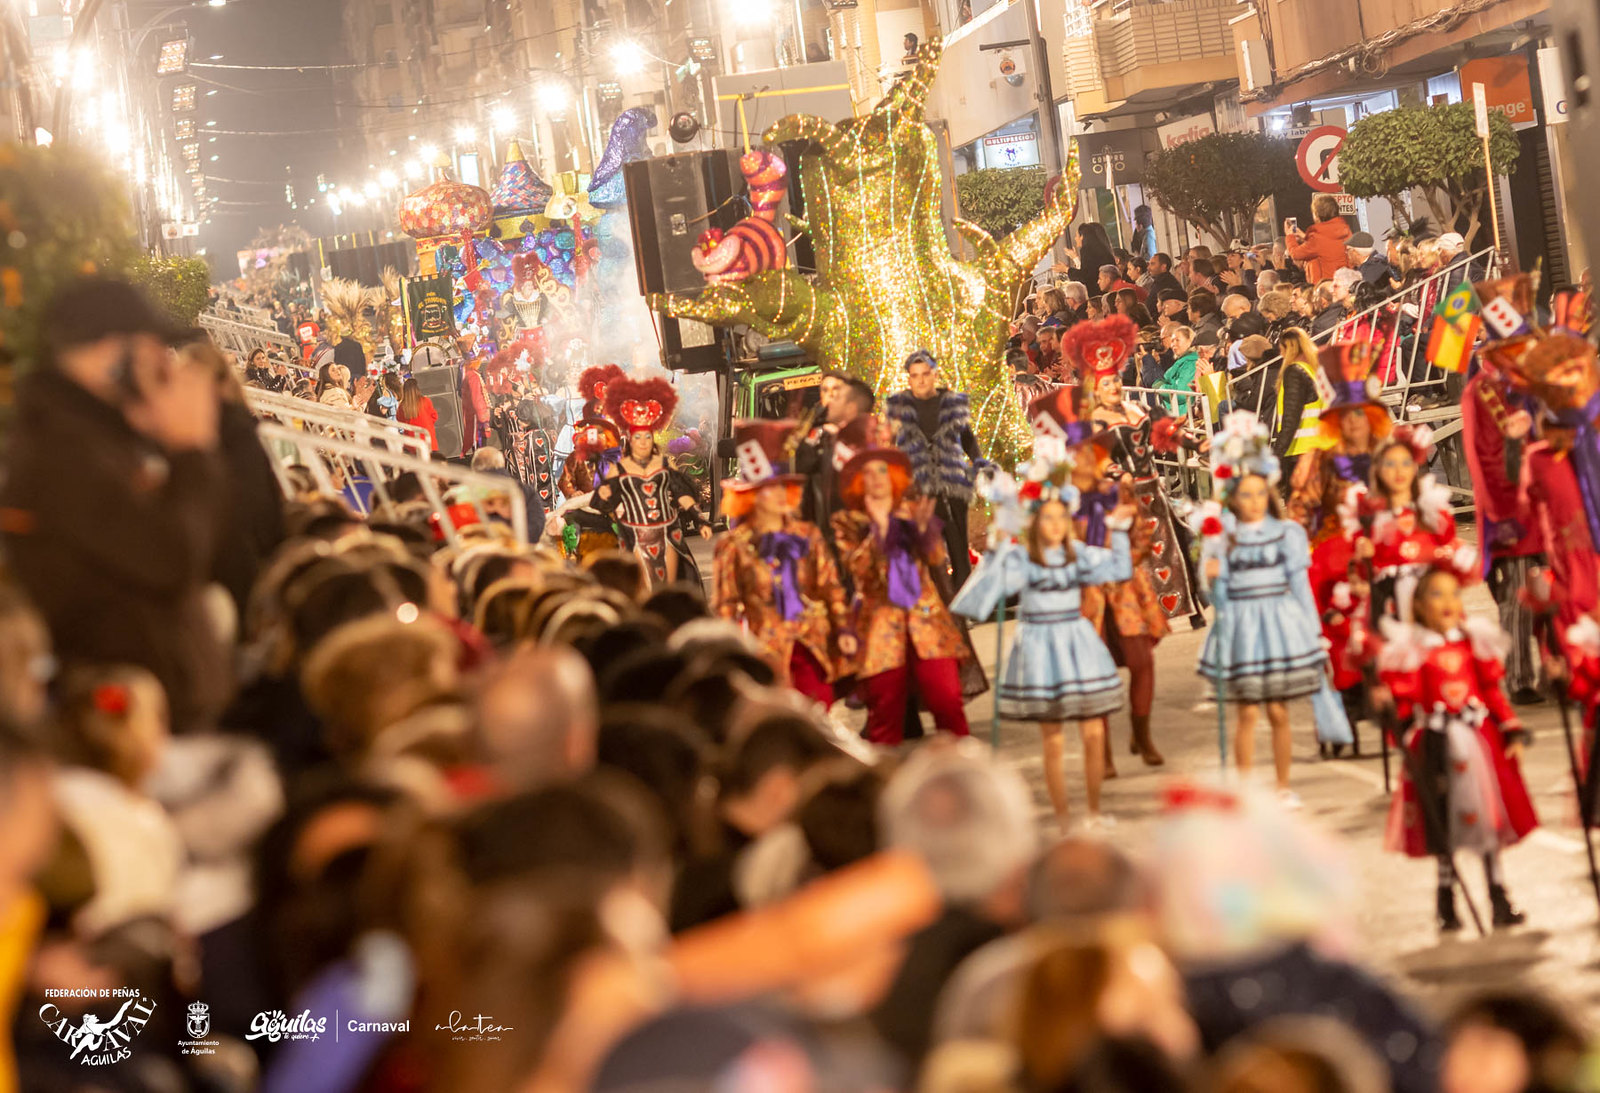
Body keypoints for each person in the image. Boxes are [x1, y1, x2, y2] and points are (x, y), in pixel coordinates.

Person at [0, 277, 228, 735]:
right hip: (121, 727)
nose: (163, 362)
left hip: (152, 713)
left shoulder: (95, 437)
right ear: (111, 353)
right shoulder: (64, 452)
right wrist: (190, 449)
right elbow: (169, 557)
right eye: (151, 348)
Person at [952, 450, 1137, 830]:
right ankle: (1065, 820)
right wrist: (996, 553)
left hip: (1077, 643)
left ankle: (1093, 812)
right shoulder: (1023, 558)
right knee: (1053, 742)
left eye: (1061, 517)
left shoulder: (1078, 555)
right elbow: (979, 600)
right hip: (1039, 648)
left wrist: (1118, 531)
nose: (1055, 525)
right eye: (1047, 518)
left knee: (1093, 733)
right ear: (1035, 522)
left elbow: (1119, 568)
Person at [1375, 567, 1537, 931]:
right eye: (1436, 594)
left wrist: (1510, 726)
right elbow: (1405, 702)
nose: (1448, 602)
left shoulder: (1470, 642)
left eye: (1453, 594)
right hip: (1436, 745)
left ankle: (1498, 896)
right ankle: (1446, 900)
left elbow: (1491, 690)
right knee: (1442, 820)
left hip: (1478, 742)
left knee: (1489, 819)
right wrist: (1392, 714)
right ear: (1418, 605)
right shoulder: (1413, 651)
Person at [1195, 413, 1328, 805]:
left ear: (1268, 494)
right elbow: (1215, 597)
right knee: (1248, 713)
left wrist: (1314, 633)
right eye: (1245, 495)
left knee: (1278, 712)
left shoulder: (1287, 534)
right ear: (1233, 498)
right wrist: (1213, 577)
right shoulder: (1223, 537)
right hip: (1242, 628)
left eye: (1259, 494)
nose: (1253, 502)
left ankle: (1283, 786)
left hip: (1279, 627)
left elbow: (1300, 587)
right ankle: (1244, 791)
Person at [832, 443, 972, 745]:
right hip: (880, 626)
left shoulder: (911, 511)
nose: (876, 478)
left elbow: (936, 558)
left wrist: (925, 533)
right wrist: (880, 530)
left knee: (947, 700)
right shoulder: (848, 522)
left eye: (882, 470)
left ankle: (965, 766)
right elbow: (860, 572)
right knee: (884, 716)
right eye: (868, 473)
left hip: (927, 622)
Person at [712, 419, 855, 706]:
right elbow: (725, 606)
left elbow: (830, 588)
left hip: (811, 646)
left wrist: (843, 629)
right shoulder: (733, 546)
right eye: (769, 489)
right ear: (751, 495)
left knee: (818, 706)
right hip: (763, 653)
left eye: (782, 487)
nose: (778, 495)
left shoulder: (807, 535)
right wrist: (728, 658)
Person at [593, 375, 709, 588]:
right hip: (634, 535)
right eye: (638, 438)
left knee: (675, 586)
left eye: (647, 437)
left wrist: (699, 518)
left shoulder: (664, 464)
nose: (643, 442)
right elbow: (603, 505)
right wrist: (605, 497)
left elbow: (682, 492)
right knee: (641, 588)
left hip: (667, 533)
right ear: (630, 441)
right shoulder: (618, 469)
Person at [884, 349, 986, 590]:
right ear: (909, 378)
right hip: (919, 485)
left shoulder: (951, 403)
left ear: (934, 375)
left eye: (925, 374)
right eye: (915, 375)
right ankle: (940, 595)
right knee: (929, 547)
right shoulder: (899, 409)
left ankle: (963, 594)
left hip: (953, 481)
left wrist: (979, 463)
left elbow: (967, 438)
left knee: (958, 542)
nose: (920, 380)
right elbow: (888, 445)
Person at [1357, 424, 1474, 626]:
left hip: (1432, 615)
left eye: (1405, 463)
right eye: (1390, 464)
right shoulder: (1369, 516)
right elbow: (1360, 574)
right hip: (1389, 614)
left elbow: (1450, 561)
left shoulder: (1433, 511)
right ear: (1378, 469)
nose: (1399, 471)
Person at [794, 371, 875, 535]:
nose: (830, 397)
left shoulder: (867, 442)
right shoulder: (814, 435)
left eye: (836, 393)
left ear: (851, 406)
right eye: (824, 390)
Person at [1269, 327, 1329, 488]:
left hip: (1301, 453)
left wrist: (1276, 456)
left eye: (1282, 350)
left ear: (1288, 349)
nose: (1281, 355)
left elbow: (1291, 419)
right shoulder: (1315, 371)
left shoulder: (1294, 372)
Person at [1285, 194, 1352, 284]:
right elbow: (1327, 246)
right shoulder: (1345, 230)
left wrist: (1289, 236)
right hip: (1345, 283)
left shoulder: (1317, 238)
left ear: (1316, 215)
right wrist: (1305, 237)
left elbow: (1295, 254)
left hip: (1325, 285)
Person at [398, 377, 440, 452]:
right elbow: (434, 416)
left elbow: (400, 420)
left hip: (411, 444)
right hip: (428, 441)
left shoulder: (402, 406)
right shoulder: (425, 401)